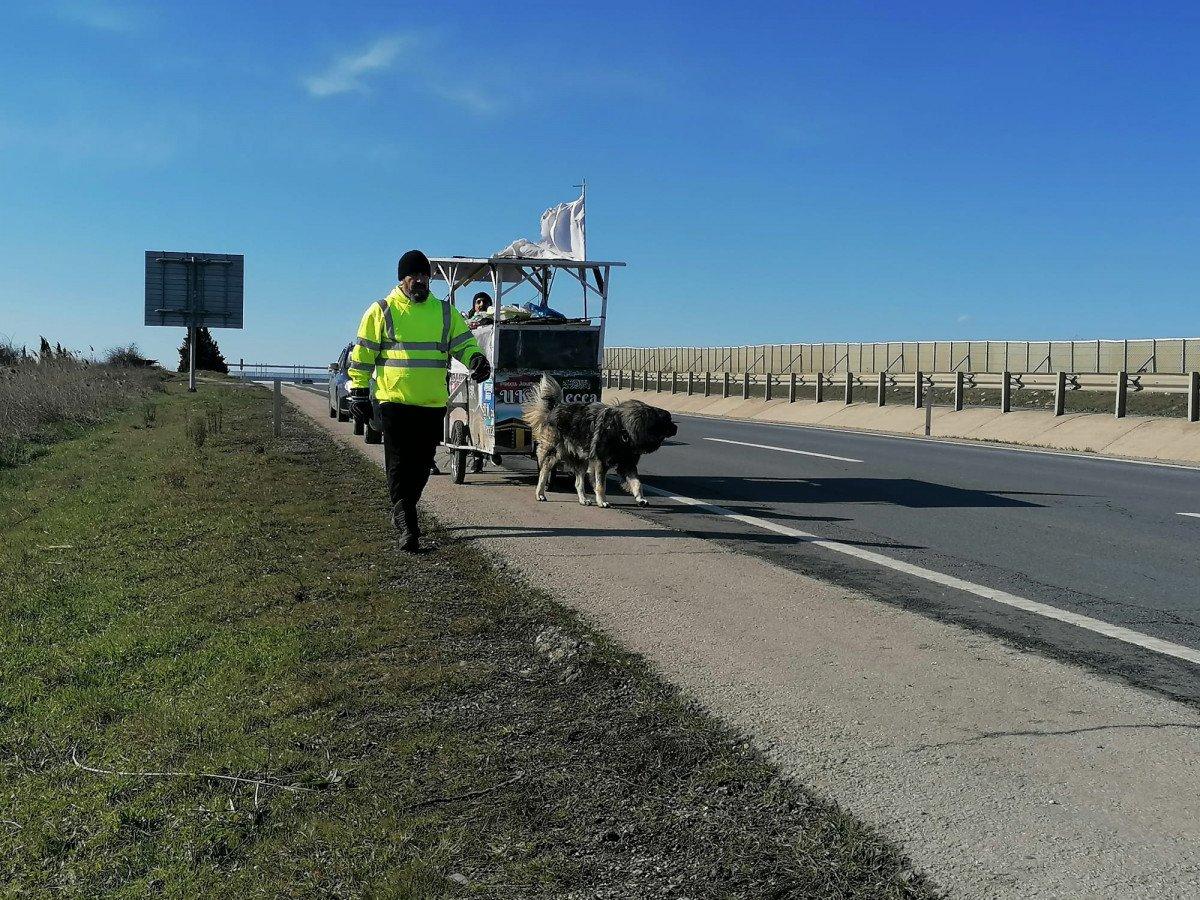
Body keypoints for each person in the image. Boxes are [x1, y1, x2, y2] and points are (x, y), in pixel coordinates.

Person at [347, 250, 491, 552]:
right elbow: (363, 354)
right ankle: (407, 524)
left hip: (431, 403)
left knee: (423, 464)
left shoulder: (444, 312)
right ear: (402, 279)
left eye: (425, 275)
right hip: (393, 401)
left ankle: (403, 508)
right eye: (414, 275)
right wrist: (358, 390)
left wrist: (476, 358)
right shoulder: (382, 310)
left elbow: (464, 344)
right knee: (399, 463)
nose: (420, 280)